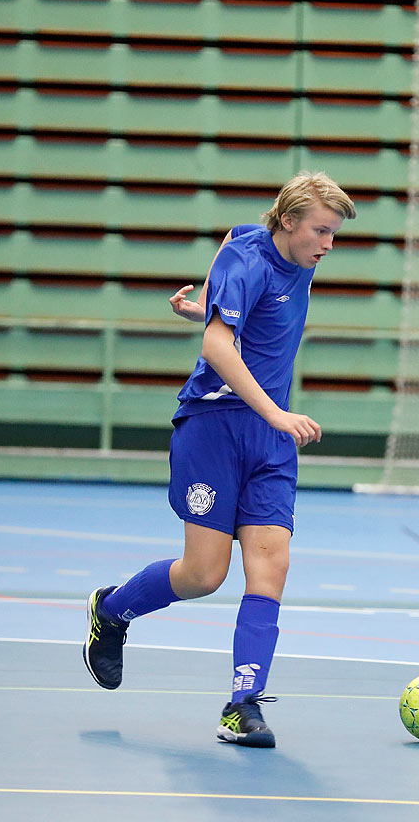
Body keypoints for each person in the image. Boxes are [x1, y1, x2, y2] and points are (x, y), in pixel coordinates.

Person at [83, 171, 356, 748]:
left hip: (267, 442)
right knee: (204, 575)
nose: (328, 245)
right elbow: (216, 346)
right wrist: (276, 412)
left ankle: (243, 705)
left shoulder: (297, 262)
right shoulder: (246, 252)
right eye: (321, 231)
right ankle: (112, 610)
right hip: (214, 427)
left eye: (333, 234)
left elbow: (236, 321)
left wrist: (207, 310)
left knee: (271, 565)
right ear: (287, 222)